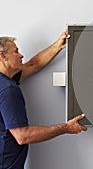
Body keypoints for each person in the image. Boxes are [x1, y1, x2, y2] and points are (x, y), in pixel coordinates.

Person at [0, 32, 87, 169]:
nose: (21, 55)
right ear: (3, 56)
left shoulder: (4, 82)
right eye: (16, 52)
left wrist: (58, 46)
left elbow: (33, 65)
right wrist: (65, 128)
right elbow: (22, 136)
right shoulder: (7, 89)